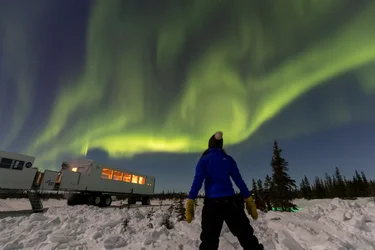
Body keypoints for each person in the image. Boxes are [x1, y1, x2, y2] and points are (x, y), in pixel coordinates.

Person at [185, 131, 264, 250]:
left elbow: (197, 181)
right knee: (247, 237)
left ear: (210, 145)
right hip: (231, 203)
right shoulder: (228, 159)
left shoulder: (203, 160)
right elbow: (239, 181)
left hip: (212, 204)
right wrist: (248, 198)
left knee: (209, 241)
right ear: (221, 145)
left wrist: (191, 199)